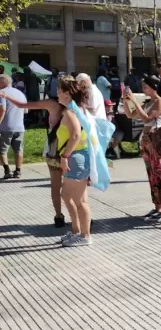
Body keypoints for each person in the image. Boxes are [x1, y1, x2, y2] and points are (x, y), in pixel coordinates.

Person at [1, 79, 68, 225]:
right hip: (74, 150)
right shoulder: (80, 106)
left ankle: (59, 216)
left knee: (56, 186)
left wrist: (6, 96)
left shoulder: (52, 104)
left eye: (58, 89)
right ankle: (81, 216)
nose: (56, 91)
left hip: (55, 149)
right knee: (74, 187)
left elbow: (23, 105)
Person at [123, 76, 161, 224]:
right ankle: (158, 207)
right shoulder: (150, 102)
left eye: (145, 86)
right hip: (147, 142)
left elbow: (147, 119)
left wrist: (135, 101)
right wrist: (126, 100)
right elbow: (130, 114)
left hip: (158, 143)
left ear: (154, 87)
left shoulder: (160, 102)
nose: (143, 89)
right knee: (153, 175)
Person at [56, 77, 94, 247]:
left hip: (76, 157)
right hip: (77, 157)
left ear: (67, 93)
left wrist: (64, 157)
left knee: (79, 200)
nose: (56, 92)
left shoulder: (71, 112)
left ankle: (85, 235)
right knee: (67, 195)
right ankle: (77, 230)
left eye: (59, 90)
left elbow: (76, 135)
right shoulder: (75, 109)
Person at [0, 74, 26, 179]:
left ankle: (7, 170)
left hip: (5, 126)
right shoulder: (20, 93)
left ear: (3, 82)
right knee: (19, 149)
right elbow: (26, 110)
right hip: (19, 126)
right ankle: (18, 171)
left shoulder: (2, 93)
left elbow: (2, 110)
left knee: (2, 149)